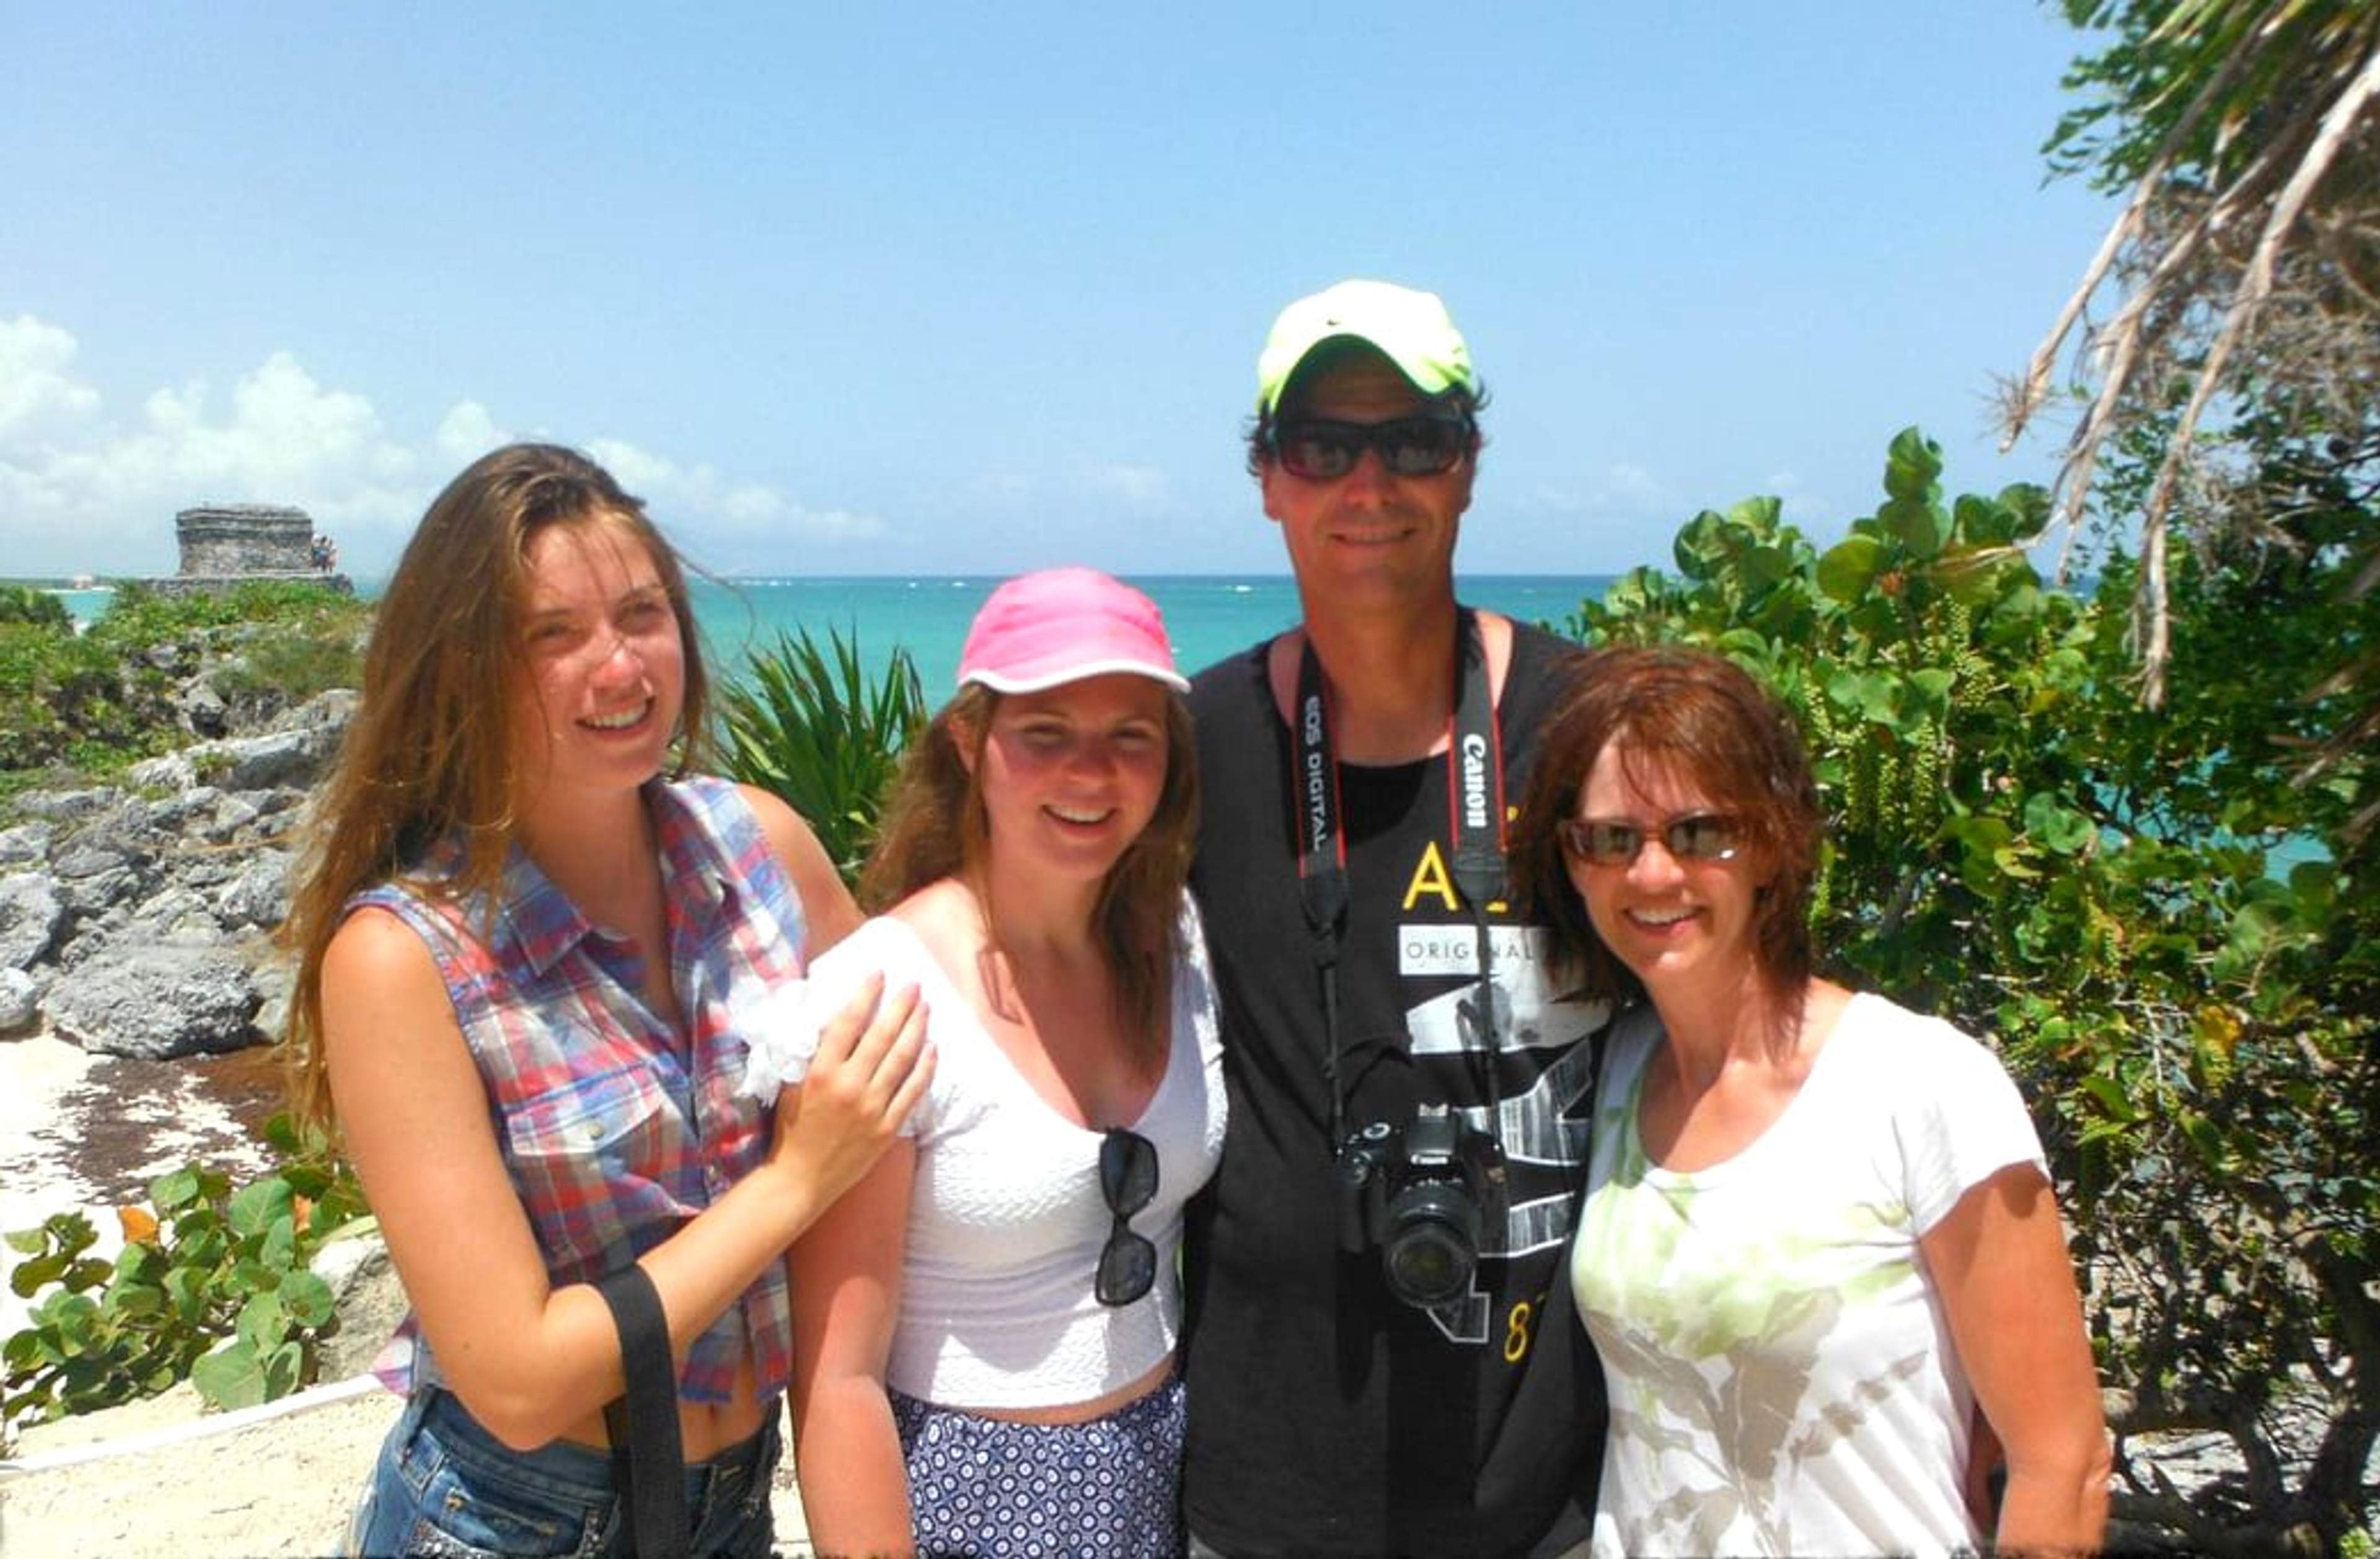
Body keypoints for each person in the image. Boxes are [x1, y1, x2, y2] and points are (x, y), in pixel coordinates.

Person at [281, 442, 933, 1557]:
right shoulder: (405, 958)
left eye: (641, 614)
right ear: (462, 669)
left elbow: (920, 1050)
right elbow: (519, 1380)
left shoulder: (761, 848)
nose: (621, 666)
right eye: (553, 634)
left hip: (734, 1505)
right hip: (510, 1520)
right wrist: (798, 1181)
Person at [1507, 644, 2112, 1558]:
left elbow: (2063, 1463)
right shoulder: (1614, 1072)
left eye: (1700, 832)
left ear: (1771, 841)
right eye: (1611, 838)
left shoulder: (1919, 1084)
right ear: (1572, 860)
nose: (1653, 874)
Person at [1180, 279, 1610, 1557]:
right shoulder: (1193, 746)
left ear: (1467, 466)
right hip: (1263, 1491)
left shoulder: (1589, 725)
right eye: (1323, 447)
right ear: (1269, 478)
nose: (1369, 484)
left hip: (1538, 1492)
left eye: (1413, 441)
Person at [782, 568, 1227, 1557]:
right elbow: (836, 1378)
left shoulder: (1178, 940)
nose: (1090, 773)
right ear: (967, 742)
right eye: (1045, 733)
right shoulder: (885, 995)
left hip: (1163, 1475)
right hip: (966, 1503)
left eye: (1130, 736)